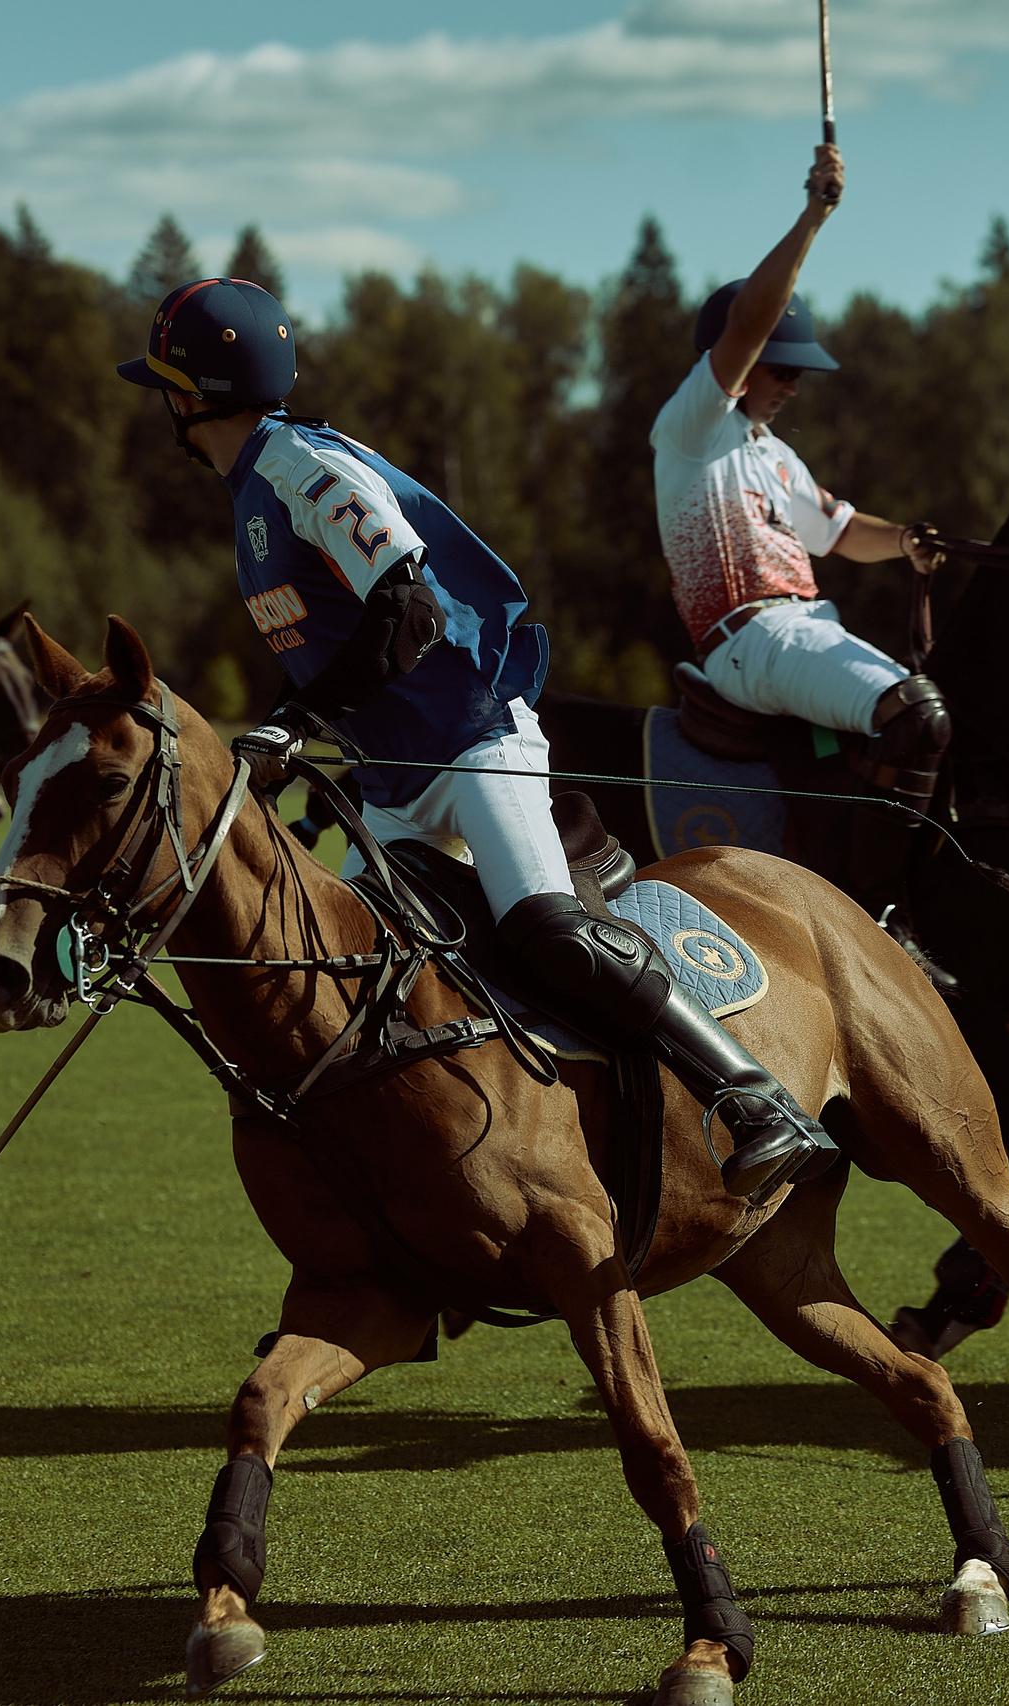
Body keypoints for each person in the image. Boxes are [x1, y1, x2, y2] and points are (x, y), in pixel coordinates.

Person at [120, 278, 840, 1197]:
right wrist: (283, 739)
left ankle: (751, 1098)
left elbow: (409, 609)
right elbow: (321, 652)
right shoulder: (252, 494)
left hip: (470, 741)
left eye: (166, 389)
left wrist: (296, 727)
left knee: (545, 929)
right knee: (342, 974)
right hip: (389, 780)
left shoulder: (301, 466)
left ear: (190, 396)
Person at [651, 142, 951, 980]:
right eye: (781, 369)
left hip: (806, 629)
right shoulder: (691, 429)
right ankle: (882, 922)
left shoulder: (774, 453)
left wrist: (910, 541)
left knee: (935, 716)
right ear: (737, 370)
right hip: (753, 642)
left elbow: (838, 531)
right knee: (916, 715)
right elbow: (747, 326)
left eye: (798, 373)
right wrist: (813, 216)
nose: (792, 383)